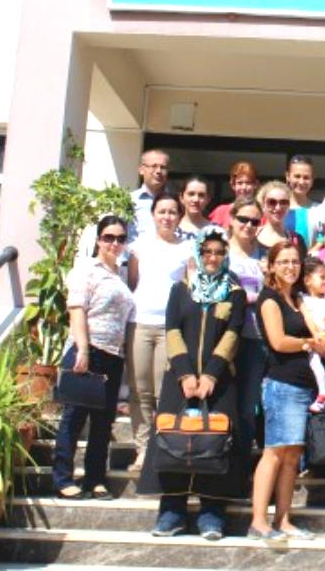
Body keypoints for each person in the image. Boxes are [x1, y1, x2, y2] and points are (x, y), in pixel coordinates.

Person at [141, 226, 246, 540]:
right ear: (198, 255)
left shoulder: (234, 292)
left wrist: (211, 373)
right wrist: (186, 374)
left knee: (215, 444)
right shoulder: (181, 289)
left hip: (219, 382)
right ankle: (171, 512)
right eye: (206, 252)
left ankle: (212, 514)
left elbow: (233, 333)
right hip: (180, 381)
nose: (212, 258)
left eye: (218, 252)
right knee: (174, 442)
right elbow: (172, 330)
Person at [53, 216, 135, 500]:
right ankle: (63, 479)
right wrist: (83, 349)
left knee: (103, 422)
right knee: (74, 418)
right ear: (99, 239)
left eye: (120, 238)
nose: (114, 243)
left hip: (113, 356)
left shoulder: (120, 274)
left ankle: (95, 479)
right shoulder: (86, 269)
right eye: (109, 237)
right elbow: (77, 310)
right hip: (88, 351)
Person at [248, 241, 325, 542]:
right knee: (274, 453)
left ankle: (283, 519)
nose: (290, 267)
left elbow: (317, 333)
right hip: (281, 384)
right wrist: (308, 343)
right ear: (271, 266)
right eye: (283, 262)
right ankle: (258, 521)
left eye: (295, 262)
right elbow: (279, 341)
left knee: (292, 456)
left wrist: (317, 338)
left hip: (302, 385)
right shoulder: (269, 299)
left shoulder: (295, 298)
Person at [126, 192, 193, 470]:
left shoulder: (187, 248)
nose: (167, 217)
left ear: (179, 216)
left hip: (171, 327)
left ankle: (162, 446)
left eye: (172, 212)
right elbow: (132, 283)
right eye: (162, 211)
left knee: (163, 390)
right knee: (139, 390)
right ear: (153, 214)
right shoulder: (139, 246)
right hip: (139, 323)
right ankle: (142, 449)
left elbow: (190, 287)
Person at [226, 197, 266, 453]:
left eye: (255, 221)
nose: (249, 225)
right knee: (224, 399)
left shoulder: (264, 254)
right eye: (243, 219)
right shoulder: (221, 251)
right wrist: (251, 297)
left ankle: (241, 460)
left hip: (256, 336)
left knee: (248, 403)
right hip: (225, 335)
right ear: (232, 219)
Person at [301, 256, 325, 412]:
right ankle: (323, 392)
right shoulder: (303, 299)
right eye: (321, 278)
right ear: (307, 280)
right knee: (314, 361)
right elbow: (307, 319)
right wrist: (316, 336)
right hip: (314, 339)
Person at [128, 149, 170, 242]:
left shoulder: (175, 202)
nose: (158, 171)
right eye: (154, 166)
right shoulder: (129, 200)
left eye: (163, 167)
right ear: (141, 170)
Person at [256, 181, 305, 256]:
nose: (278, 208)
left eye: (283, 202)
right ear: (262, 205)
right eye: (272, 202)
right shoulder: (251, 237)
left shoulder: (297, 240)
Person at [209, 161, 260, 229]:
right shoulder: (221, 211)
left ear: (255, 185)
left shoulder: (262, 213)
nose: (244, 187)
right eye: (240, 183)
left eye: (248, 183)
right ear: (233, 185)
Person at [285, 155, 322, 249]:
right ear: (288, 176)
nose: (301, 182)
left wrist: (309, 255)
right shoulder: (278, 208)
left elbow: (322, 239)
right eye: (297, 176)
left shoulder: (320, 210)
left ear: (312, 180)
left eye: (306, 177)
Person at [176, 175, 211, 241]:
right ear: (181, 197)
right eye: (191, 194)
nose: (196, 199)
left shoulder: (216, 232)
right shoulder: (171, 231)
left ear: (208, 199)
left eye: (201, 195)